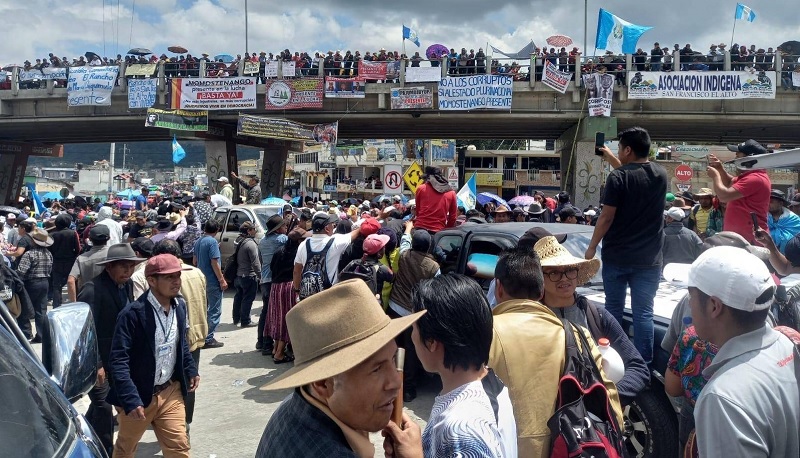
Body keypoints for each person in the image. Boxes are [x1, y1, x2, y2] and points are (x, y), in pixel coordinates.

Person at [256, 279, 425, 457]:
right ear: (322, 383)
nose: (396, 382)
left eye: (393, 359)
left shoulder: (291, 407)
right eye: (376, 369)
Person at [491, 247, 623, 454]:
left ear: (498, 288)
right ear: (541, 290)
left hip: (502, 447)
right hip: (568, 446)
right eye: (554, 273)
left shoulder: (482, 334)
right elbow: (608, 398)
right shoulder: (575, 333)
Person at [687, 246, 799, 457]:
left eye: (690, 296)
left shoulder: (722, 398)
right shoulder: (787, 345)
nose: (689, 305)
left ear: (714, 306)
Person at [397, 273, 517, 457]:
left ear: (431, 342)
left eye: (414, 328)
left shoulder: (462, 429)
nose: (412, 337)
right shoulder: (490, 382)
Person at [586, 127, 667, 364]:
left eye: (620, 148)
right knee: (644, 314)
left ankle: (615, 359)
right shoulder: (661, 174)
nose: (619, 151)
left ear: (628, 150)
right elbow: (635, 177)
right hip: (649, 261)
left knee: (613, 311)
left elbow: (606, 217)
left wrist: (591, 247)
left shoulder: (617, 178)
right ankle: (643, 365)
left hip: (617, 257)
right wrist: (612, 158)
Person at [533, 236, 649, 402]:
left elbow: (638, 367)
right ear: (540, 278)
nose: (564, 278)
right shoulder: (531, 319)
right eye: (554, 272)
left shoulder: (597, 315)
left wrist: (606, 399)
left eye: (569, 270)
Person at [107, 254, 200, 458]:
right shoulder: (132, 315)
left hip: (170, 391)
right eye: (169, 277)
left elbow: (180, 342)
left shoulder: (180, 306)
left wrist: (190, 368)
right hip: (139, 395)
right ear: (151, 281)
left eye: (178, 276)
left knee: (179, 447)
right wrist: (130, 398)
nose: (176, 281)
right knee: (125, 449)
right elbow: (118, 360)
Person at [78, 243, 145, 456]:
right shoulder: (92, 289)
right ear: (109, 267)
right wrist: (96, 364)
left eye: (131, 266)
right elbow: (85, 331)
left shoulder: (126, 286)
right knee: (105, 408)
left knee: (107, 406)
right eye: (123, 266)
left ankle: (82, 431)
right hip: (97, 362)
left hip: (118, 360)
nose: (128, 271)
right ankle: (104, 451)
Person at [149, 239, 208, 431]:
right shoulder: (197, 272)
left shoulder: (167, 280)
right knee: (189, 383)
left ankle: (176, 424)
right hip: (197, 335)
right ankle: (183, 423)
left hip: (176, 340)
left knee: (175, 384)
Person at [388, 222, 440, 402]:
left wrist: (408, 228)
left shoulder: (404, 255)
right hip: (413, 313)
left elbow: (404, 240)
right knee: (410, 352)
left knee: (393, 348)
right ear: (428, 246)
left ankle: (391, 385)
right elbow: (437, 289)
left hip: (395, 308)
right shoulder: (433, 266)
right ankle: (408, 389)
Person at [707, 139, 772, 242]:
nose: (736, 154)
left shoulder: (756, 178)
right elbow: (729, 182)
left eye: (739, 153)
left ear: (749, 158)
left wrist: (715, 176)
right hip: (742, 239)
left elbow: (724, 196)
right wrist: (719, 169)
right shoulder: (751, 175)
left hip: (750, 241)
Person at [293, 212, 360, 300]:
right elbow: (356, 232)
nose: (334, 226)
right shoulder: (336, 242)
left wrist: (297, 290)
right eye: (332, 224)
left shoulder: (304, 244)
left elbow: (297, 271)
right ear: (327, 228)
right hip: (328, 297)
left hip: (308, 298)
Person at [268, 225, 306, 364]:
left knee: (278, 318)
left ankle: (275, 348)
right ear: (298, 241)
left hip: (276, 287)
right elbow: (297, 272)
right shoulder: (298, 254)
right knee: (288, 320)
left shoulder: (279, 251)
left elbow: (272, 268)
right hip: (289, 287)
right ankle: (279, 354)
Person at [257, 215, 288, 355]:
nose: (286, 228)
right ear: (278, 228)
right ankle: (268, 344)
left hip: (264, 279)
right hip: (274, 280)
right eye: (284, 226)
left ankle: (262, 341)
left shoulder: (263, 241)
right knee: (275, 313)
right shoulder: (281, 239)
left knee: (266, 311)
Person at [193, 219, 226, 348]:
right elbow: (214, 263)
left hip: (201, 280)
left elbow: (195, 261)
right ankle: (208, 338)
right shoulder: (212, 242)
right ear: (217, 230)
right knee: (214, 310)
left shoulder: (199, 241)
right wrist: (222, 280)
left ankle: (203, 336)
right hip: (212, 281)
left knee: (204, 309)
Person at [17, 227, 54, 344]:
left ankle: (26, 333)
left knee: (24, 308)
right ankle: (41, 335)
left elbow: (21, 272)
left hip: (31, 283)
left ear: (33, 241)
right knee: (41, 310)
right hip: (45, 283)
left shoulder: (29, 254)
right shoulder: (48, 254)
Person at [67, 225, 111, 301]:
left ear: (90, 239)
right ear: (109, 238)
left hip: (87, 299)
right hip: (110, 298)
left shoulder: (81, 258)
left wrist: (74, 304)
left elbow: (70, 281)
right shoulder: (114, 254)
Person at [48, 213, 80, 308]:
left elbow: (49, 250)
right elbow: (78, 248)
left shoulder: (51, 234)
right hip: (70, 262)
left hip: (56, 262)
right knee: (73, 282)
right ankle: (75, 304)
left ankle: (56, 306)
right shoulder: (73, 233)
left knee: (56, 286)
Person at [232, 221, 261, 327]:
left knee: (239, 296)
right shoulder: (250, 244)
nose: (255, 231)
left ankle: (236, 318)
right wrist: (260, 276)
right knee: (248, 298)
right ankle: (245, 320)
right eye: (253, 229)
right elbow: (255, 263)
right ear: (249, 231)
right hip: (248, 275)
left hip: (239, 274)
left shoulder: (238, 240)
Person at [414, 166, 457, 233]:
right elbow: (453, 217)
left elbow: (417, 211)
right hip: (439, 231)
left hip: (420, 229)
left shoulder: (421, 189)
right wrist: (446, 230)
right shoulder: (451, 193)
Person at [767, 189, 800, 253]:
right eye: (767, 201)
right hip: (766, 256)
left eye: (771, 202)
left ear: (780, 203)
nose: (768, 204)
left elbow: (797, 241)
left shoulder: (794, 220)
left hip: (790, 258)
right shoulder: (763, 218)